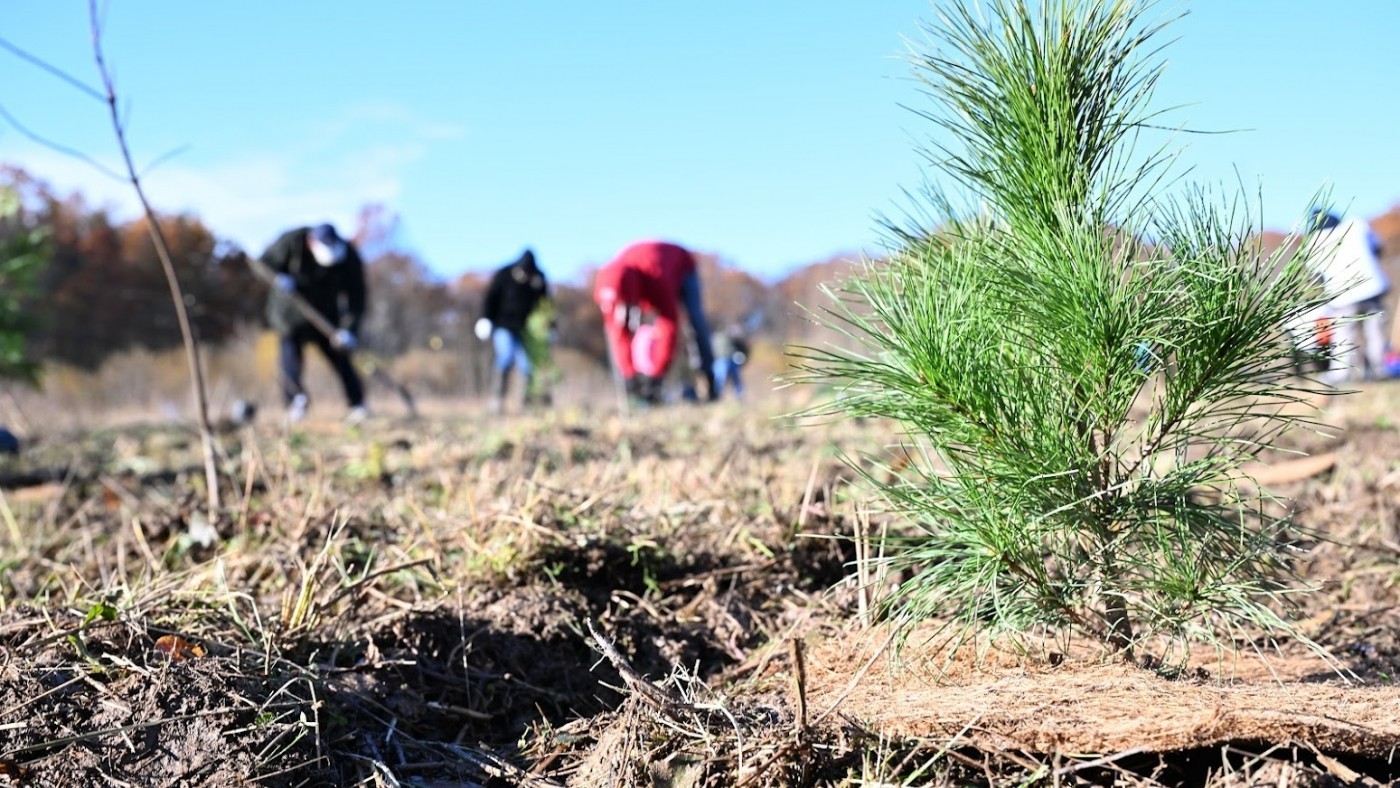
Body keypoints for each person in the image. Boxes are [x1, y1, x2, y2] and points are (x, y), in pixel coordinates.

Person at [258, 222, 368, 423]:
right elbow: (264, 264)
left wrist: (349, 329)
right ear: (311, 243)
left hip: (326, 316)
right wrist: (278, 278)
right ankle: (295, 403)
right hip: (290, 314)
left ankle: (358, 404)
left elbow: (356, 295)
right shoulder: (291, 242)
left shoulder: (349, 256)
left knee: (341, 357)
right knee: (290, 358)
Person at [593, 240, 716, 404]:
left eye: (624, 305)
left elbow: (669, 326)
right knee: (630, 326)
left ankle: (707, 380)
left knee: (694, 320)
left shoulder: (658, 279)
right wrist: (628, 375)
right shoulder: (608, 286)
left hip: (681, 265)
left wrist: (656, 375)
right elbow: (617, 332)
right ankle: (640, 387)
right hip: (639, 275)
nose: (620, 312)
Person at [1302, 209, 1389, 383]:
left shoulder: (1313, 241)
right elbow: (1378, 248)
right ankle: (1380, 370)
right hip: (1372, 287)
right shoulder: (1357, 225)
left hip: (1341, 295)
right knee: (1376, 331)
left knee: (1344, 335)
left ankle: (1343, 374)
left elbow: (1314, 273)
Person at [476, 248, 548, 412]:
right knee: (506, 357)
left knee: (527, 366)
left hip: (524, 329)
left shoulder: (537, 278)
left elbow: (545, 303)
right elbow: (490, 297)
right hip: (502, 325)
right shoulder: (504, 274)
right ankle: (497, 401)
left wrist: (549, 326)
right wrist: (485, 318)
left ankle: (526, 403)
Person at [711, 324, 751, 400]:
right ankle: (718, 396)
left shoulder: (731, 337)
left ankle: (740, 396)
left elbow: (742, 346)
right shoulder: (714, 338)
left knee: (735, 378)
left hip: (731, 359)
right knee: (720, 379)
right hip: (720, 360)